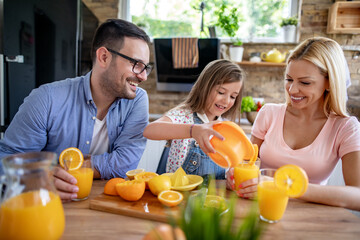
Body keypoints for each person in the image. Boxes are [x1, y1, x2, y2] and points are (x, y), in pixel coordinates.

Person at [0, 19, 152, 201]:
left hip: (108, 207)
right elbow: (7, 160)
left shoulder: (137, 100)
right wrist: (40, 179)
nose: (143, 76)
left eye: (146, 68)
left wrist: (63, 168)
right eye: (136, 64)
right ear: (104, 57)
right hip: (49, 206)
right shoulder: (46, 99)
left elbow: (126, 164)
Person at [227, 37, 360, 211]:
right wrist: (234, 175)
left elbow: (356, 196)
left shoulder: (345, 128)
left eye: (305, 82)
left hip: (312, 219)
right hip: (261, 210)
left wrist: (286, 187)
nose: (292, 90)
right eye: (289, 79)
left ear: (329, 82)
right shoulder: (269, 113)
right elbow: (246, 162)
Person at [143, 59, 244, 179]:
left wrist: (231, 176)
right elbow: (149, 131)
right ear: (205, 87)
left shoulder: (227, 128)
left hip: (212, 197)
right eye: (221, 92)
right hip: (179, 196)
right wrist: (193, 131)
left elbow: (230, 168)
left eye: (233, 96)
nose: (226, 101)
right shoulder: (183, 116)